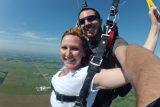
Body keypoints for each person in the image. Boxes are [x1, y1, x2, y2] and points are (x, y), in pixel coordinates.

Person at [50, 7, 160, 107]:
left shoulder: (113, 42)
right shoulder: (83, 43)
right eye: (82, 21)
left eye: (91, 18)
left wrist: (154, 28)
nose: (86, 23)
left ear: (100, 21)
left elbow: (133, 58)